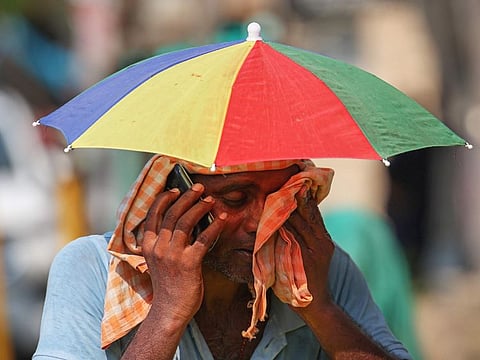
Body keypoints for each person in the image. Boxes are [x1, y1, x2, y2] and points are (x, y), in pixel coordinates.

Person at [33, 155, 412, 359]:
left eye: (280, 200)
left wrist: (320, 309)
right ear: (175, 197)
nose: (260, 223)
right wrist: (167, 313)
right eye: (235, 199)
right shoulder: (92, 270)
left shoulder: (320, 271)